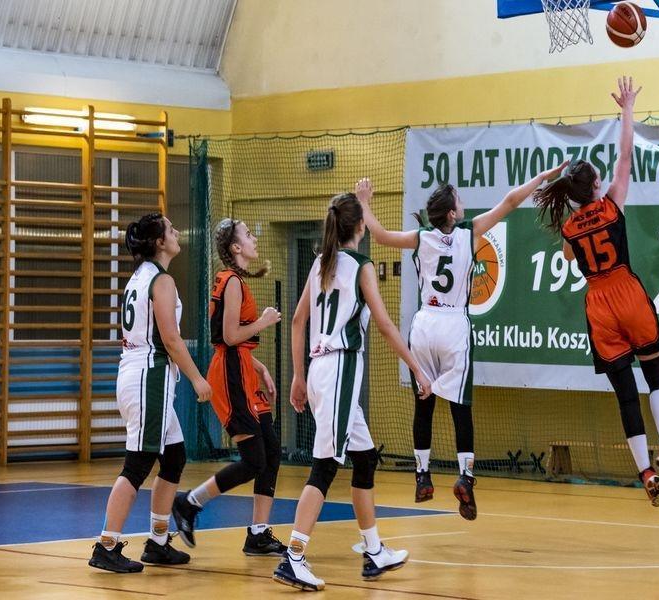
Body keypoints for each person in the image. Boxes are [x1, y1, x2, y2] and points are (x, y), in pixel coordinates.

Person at [358, 160, 567, 520]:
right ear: (452, 213)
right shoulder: (469, 233)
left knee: (423, 404)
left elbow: (379, 236)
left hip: (424, 324)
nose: (463, 202)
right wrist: (542, 177)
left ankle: (422, 475)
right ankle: (466, 478)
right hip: (454, 324)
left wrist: (364, 202)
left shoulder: (420, 237)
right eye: (459, 199)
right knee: (461, 408)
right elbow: (510, 201)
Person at [533, 77, 659, 507]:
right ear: (597, 187)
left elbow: (569, 255)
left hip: (598, 305)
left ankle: (645, 472)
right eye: (599, 179)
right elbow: (626, 156)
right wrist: (627, 109)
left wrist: (574, 212)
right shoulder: (612, 205)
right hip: (627, 292)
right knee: (656, 375)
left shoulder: (569, 227)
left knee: (626, 396)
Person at [272, 190, 432, 591]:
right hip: (340, 368)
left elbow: (297, 320)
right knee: (325, 466)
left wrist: (298, 376)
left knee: (364, 459)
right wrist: (417, 368)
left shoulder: (320, 263)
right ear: (361, 226)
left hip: (320, 368)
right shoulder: (361, 266)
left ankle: (374, 551)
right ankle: (294, 557)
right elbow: (385, 325)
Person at [89, 213, 212, 573]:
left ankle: (158, 543)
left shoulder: (140, 276)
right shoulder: (161, 280)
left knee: (174, 457)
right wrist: (197, 378)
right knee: (138, 464)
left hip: (138, 373)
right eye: (171, 230)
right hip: (148, 376)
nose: (177, 233)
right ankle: (106, 545)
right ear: (160, 242)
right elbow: (170, 339)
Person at [172, 218, 286, 555]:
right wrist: (264, 321)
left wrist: (259, 367)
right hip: (230, 375)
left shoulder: (234, 280)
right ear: (236, 247)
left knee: (272, 451)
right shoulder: (232, 282)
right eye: (248, 235)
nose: (254, 239)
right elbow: (229, 337)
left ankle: (258, 533)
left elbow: (234, 344)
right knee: (254, 460)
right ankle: (190, 503)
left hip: (241, 368)